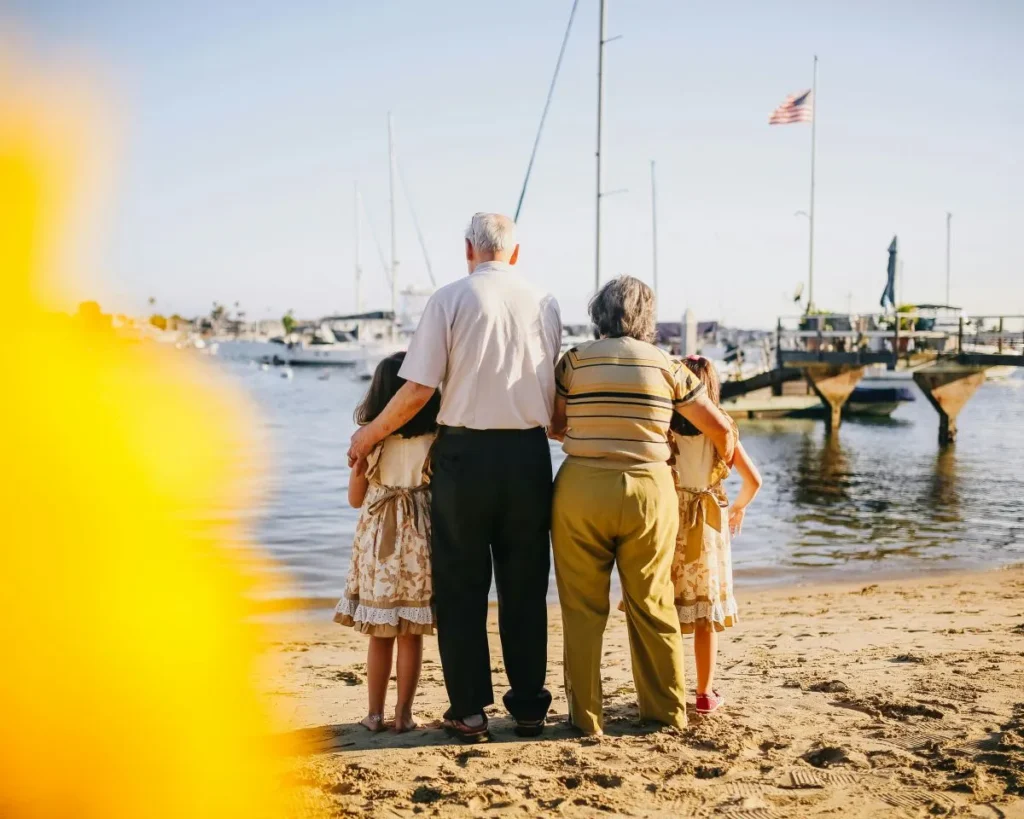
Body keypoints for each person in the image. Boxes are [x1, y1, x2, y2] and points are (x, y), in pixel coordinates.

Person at [347, 213, 561, 742]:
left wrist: (369, 435)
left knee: (462, 587)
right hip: (529, 455)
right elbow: (552, 391)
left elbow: (418, 389)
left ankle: (469, 712)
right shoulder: (546, 301)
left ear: (468, 248)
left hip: (464, 455)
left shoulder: (449, 299)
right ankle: (529, 708)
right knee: (525, 585)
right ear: (515, 253)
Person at [548, 276, 736, 736]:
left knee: (582, 610)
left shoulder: (573, 361)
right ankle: (664, 712)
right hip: (650, 492)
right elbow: (720, 429)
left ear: (599, 313)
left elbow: (554, 425)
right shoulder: (668, 366)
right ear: (647, 317)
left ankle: (586, 717)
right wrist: (718, 475)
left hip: (581, 489)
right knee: (653, 604)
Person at [335, 352, 441, 733]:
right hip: (418, 542)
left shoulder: (371, 442)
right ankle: (405, 715)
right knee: (411, 634)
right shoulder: (435, 439)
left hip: (378, 541)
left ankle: (375, 714)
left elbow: (354, 499)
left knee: (380, 636)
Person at [670, 355, 761, 715]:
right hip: (708, 524)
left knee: (667, 609)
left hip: (671, 520)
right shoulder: (722, 428)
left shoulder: (664, 426)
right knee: (705, 616)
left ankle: (667, 688)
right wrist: (738, 508)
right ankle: (705, 693)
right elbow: (754, 481)